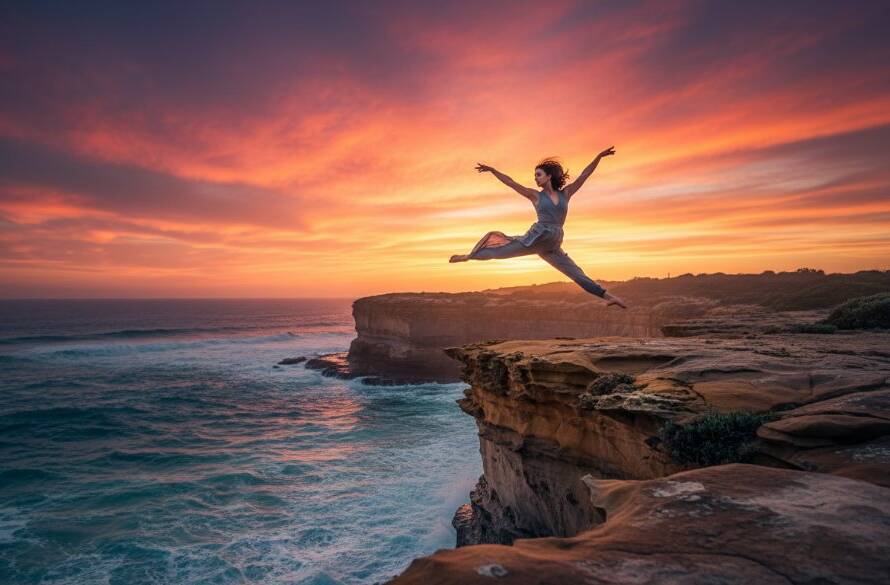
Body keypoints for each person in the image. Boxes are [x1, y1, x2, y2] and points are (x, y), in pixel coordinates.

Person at [449, 147, 628, 309]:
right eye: (535, 175)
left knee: (576, 273)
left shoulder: (566, 193)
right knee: (500, 251)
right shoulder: (535, 196)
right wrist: (493, 170)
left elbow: (584, 175)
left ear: (549, 176)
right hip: (537, 238)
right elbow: (511, 183)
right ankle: (468, 256)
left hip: (552, 244)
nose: (535, 178)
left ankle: (611, 297)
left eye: (538, 175)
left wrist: (599, 157)